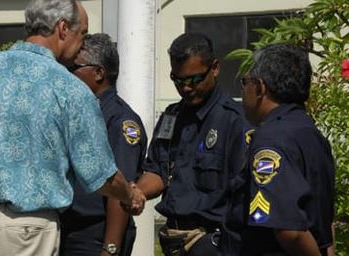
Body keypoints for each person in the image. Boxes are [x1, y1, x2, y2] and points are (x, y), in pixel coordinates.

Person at [0, 0, 145, 255]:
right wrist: (130, 195)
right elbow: (99, 173)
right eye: (82, 32)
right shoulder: (69, 88)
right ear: (63, 29)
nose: (83, 42)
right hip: (25, 231)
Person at [134, 32, 248, 256]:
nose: (186, 88)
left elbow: (243, 195)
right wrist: (136, 193)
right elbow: (157, 170)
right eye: (178, 80)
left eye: (194, 79)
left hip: (213, 243)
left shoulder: (234, 122)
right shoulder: (171, 117)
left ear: (215, 68)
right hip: (174, 241)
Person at [240, 44, 335, 255]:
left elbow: (289, 229)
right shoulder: (311, 134)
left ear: (260, 88)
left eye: (244, 82)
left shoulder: (271, 139)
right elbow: (323, 222)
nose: (243, 90)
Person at [61, 33, 148, 256]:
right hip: (69, 230)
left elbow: (120, 189)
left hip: (95, 236)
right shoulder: (82, 113)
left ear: (99, 73)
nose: (67, 75)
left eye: (73, 69)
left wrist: (110, 248)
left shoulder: (119, 121)